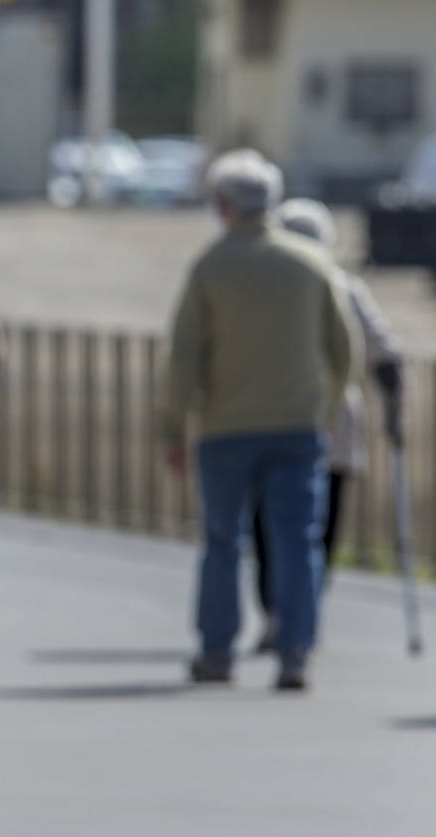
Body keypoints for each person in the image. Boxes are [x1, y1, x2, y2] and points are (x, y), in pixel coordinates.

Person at [161, 150, 360, 691]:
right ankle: (295, 650)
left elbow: (183, 355)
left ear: (223, 206)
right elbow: (345, 348)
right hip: (297, 425)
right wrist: (326, 409)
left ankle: (217, 650)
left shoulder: (210, 265)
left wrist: (174, 428)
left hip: (225, 426)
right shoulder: (310, 262)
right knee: (298, 539)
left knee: (223, 540)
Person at [250, 198, 405, 653]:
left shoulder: (266, 286)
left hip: (274, 421)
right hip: (332, 429)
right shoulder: (345, 287)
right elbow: (383, 352)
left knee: (269, 528)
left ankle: (281, 614)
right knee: (319, 530)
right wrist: (395, 405)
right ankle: (300, 616)